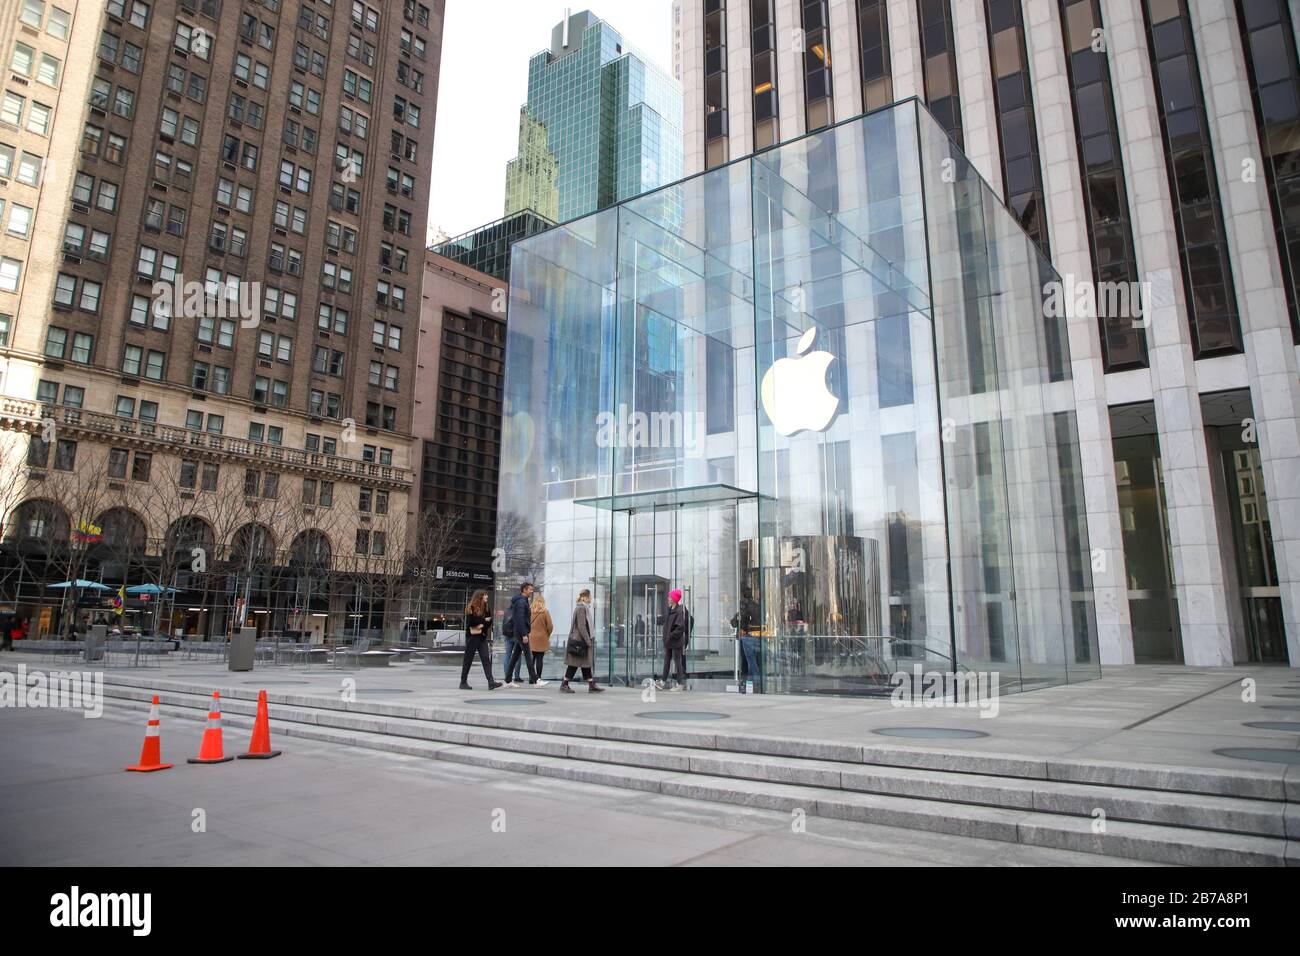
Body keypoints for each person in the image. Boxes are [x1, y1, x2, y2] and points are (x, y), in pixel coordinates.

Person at [560, 589, 603, 693]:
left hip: (581, 640)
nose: (591, 598)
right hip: (580, 640)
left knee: (584, 662)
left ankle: (591, 684)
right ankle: (564, 684)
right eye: (590, 596)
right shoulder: (581, 608)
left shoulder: (584, 608)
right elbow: (581, 626)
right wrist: (588, 640)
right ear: (587, 597)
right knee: (575, 662)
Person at [459, 590, 502, 690]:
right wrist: (483, 621)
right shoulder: (471, 607)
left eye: (487, 594)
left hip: (482, 636)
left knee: (486, 658)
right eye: (485, 595)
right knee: (468, 659)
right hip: (472, 637)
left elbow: (490, 621)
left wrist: (483, 624)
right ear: (480, 596)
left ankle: (491, 682)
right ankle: (463, 682)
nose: (487, 596)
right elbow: (471, 622)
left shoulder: (486, 607)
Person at [502, 581, 537, 687]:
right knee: (528, 656)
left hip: (518, 633)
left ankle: (508, 680)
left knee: (514, 656)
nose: (531, 591)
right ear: (524, 589)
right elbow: (520, 619)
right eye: (530, 589)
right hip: (521, 633)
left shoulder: (522, 601)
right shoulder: (521, 602)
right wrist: (524, 634)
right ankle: (535, 680)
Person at [657, 588, 690, 692]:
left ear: (674, 599)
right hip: (669, 641)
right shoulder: (670, 609)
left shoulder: (679, 611)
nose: (668, 598)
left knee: (677, 662)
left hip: (675, 642)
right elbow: (667, 624)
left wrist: (670, 636)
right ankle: (662, 682)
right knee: (667, 661)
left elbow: (680, 628)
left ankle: (680, 683)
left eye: (670, 596)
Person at [730, 587, 761, 687]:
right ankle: (752, 680)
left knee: (746, 660)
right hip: (755, 635)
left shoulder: (745, 606)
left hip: (746, 636)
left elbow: (737, 621)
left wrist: (735, 619)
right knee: (753, 659)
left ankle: (747, 680)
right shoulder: (757, 606)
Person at [528, 591, 552, 687]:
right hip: (542, 637)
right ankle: (538, 678)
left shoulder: (530, 611)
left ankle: (531, 677)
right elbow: (550, 625)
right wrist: (547, 634)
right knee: (539, 658)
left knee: (531, 658)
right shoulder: (545, 611)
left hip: (531, 637)